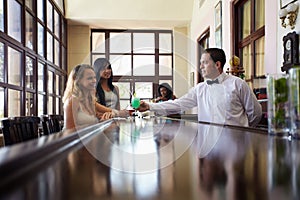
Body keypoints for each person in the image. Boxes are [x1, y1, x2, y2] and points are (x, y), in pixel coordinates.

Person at [138, 48, 262, 127]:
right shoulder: (200, 88)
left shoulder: (238, 84)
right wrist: (150, 106)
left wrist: (243, 131)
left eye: (205, 62)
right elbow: (178, 104)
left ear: (217, 64)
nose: (201, 66)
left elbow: (255, 113)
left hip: (236, 145)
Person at [62, 64, 115, 129]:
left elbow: (110, 111)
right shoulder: (72, 101)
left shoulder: (90, 100)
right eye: (90, 78)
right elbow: (69, 132)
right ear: (77, 80)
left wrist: (105, 118)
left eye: (94, 77)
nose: (94, 81)